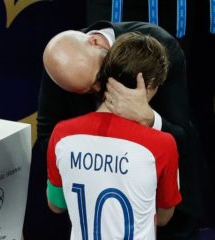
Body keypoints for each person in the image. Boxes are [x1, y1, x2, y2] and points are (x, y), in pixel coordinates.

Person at [23, 20, 202, 240]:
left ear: (96, 42)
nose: (100, 91)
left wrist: (149, 118)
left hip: (165, 209)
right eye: (86, 91)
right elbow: (47, 140)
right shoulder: (61, 62)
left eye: (99, 79)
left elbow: (185, 137)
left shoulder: (160, 50)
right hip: (91, 211)